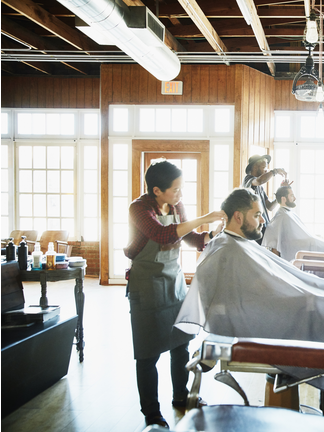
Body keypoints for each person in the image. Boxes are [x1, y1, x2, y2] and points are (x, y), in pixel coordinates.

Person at [174, 188, 324, 345]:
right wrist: (304, 296)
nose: (263, 221)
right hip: (264, 314)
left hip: (277, 301)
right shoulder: (225, 250)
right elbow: (230, 303)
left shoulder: (238, 242)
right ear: (238, 217)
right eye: (257, 215)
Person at [124, 159, 225, 428]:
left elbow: (188, 237)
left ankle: (181, 396)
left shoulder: (177, 205)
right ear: (157, 190)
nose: (180, 195)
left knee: (181, 344)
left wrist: (210, 235)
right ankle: (152, 414)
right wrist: (204, 217)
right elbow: (163, 234)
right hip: (146, 285)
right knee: (148, 355)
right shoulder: (139, 209)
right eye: (176, 189)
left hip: (174, 283)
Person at [261, 185, 324, 265]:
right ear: (283, 199)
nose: (295, 198)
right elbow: (277, 244)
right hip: (303, 247)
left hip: (309, 242)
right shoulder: (282, 216)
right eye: (292, 196)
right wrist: (310, 240)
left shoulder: (288, 213)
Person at [242, 154, 292, 242]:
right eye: (264, 167)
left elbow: (270, 207)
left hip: (263, 228)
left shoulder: (260, 187)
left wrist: (280, 192)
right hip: (253, 229)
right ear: (255, 167)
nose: (266, 171)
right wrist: (275, 171)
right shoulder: (248, 180)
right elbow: (260, 180)